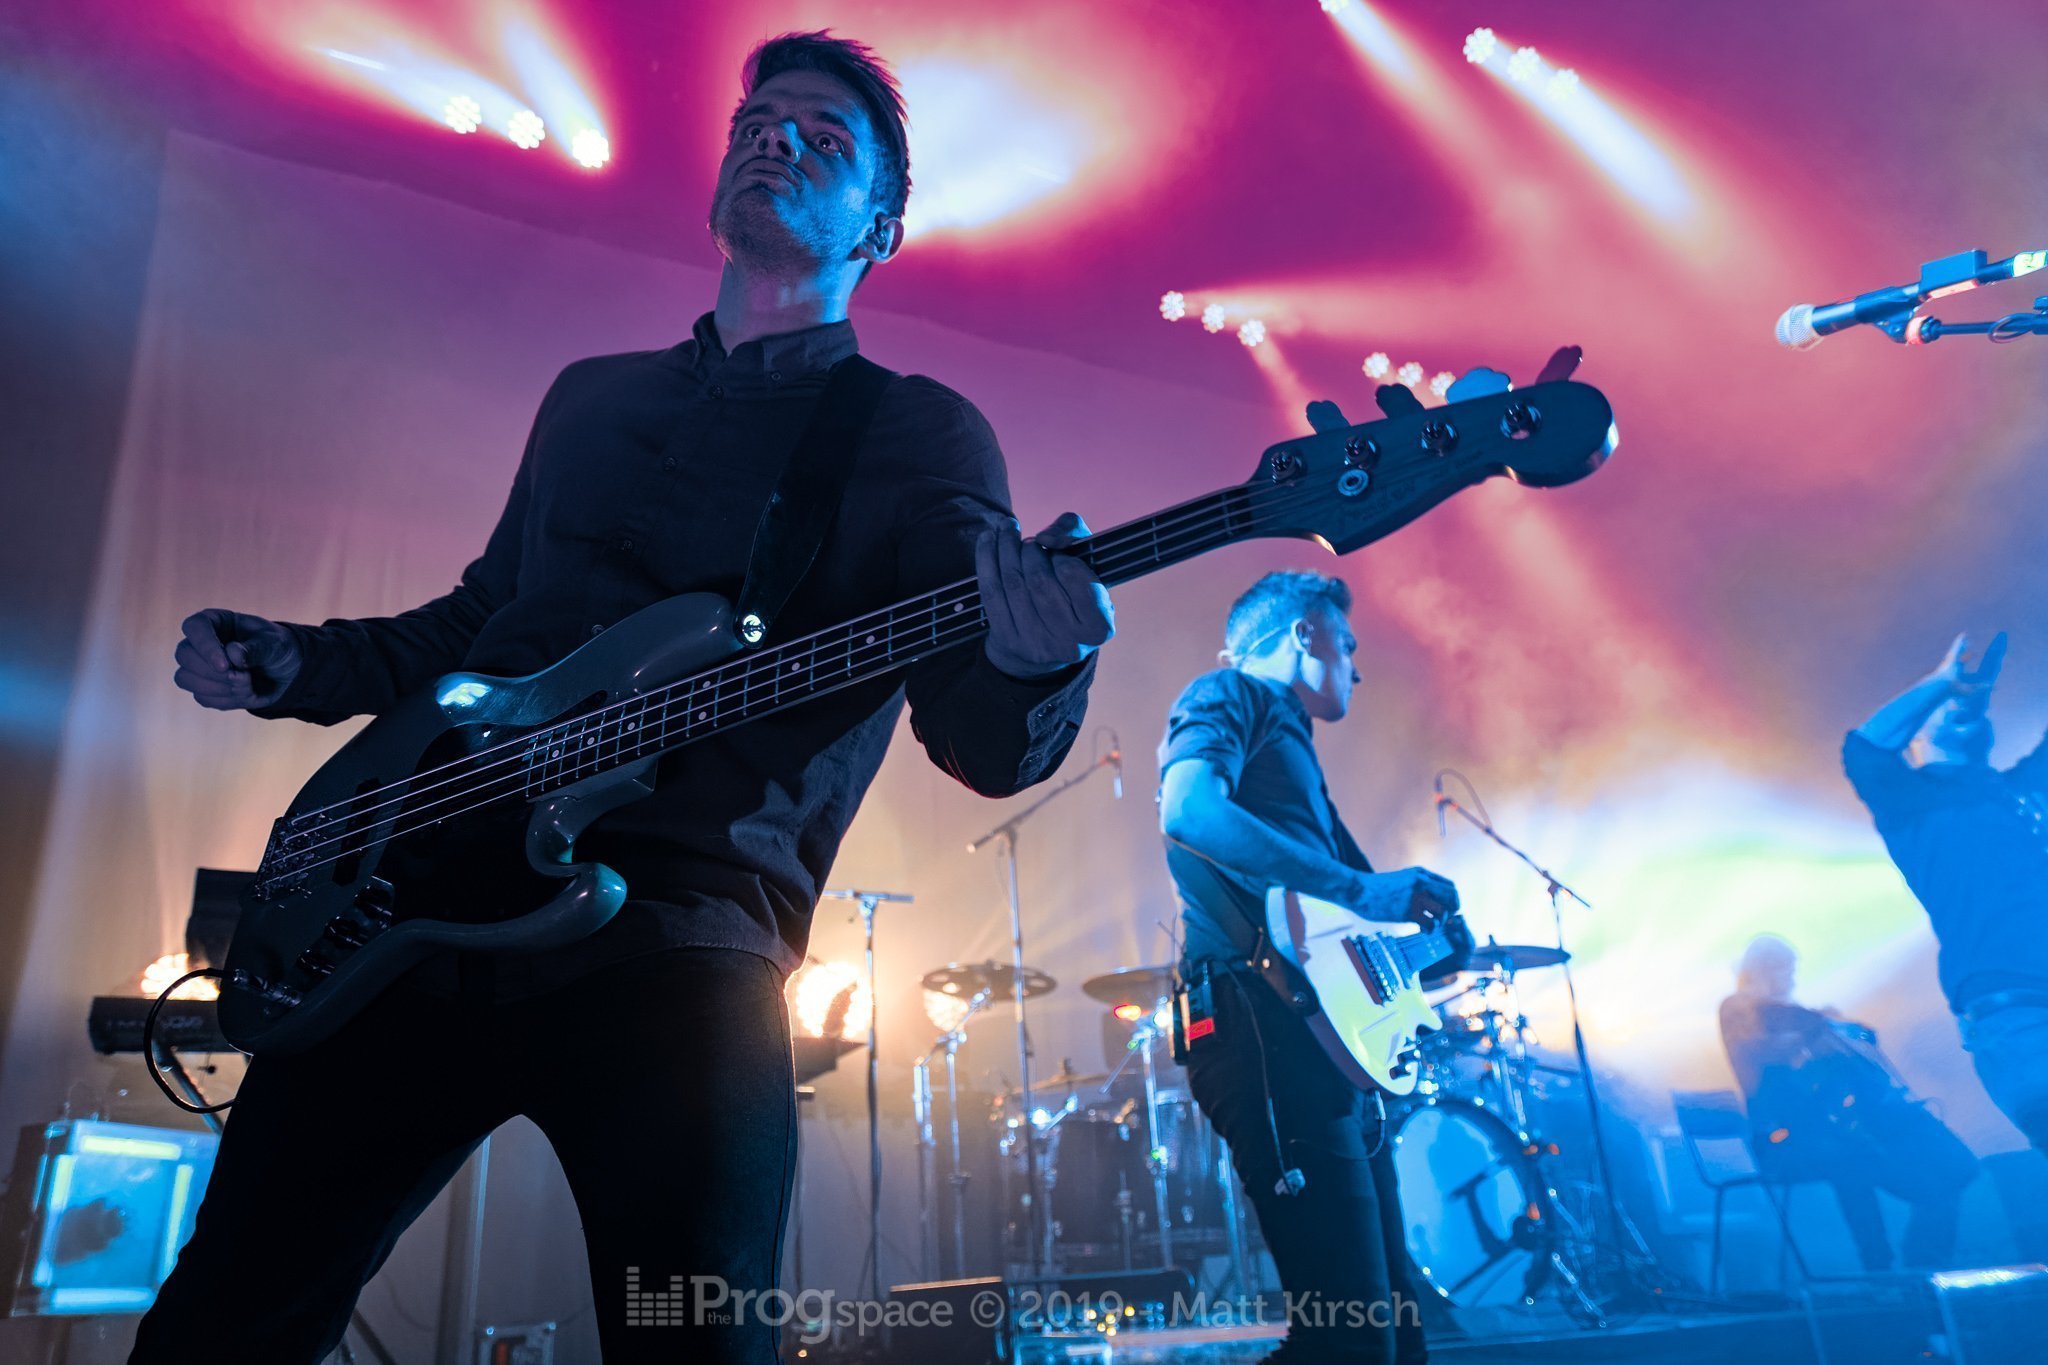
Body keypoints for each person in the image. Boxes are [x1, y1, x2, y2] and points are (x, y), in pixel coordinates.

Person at [147, 32, 1113, 1364]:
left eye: (823, 138)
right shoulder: (590, 400)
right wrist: (299, 660)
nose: (775, 138)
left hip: (678, 933)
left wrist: (1037, 657)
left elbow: (982, 738)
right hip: (408, 908)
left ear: (880, 231)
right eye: (757, 122)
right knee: (221, 1324)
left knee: (696, 1336)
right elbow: (482, 629)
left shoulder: (916, 433)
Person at [1156, 571, 1470, 1365]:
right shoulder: (1231, 694)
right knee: (1348, 1343)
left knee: (1394, 1340)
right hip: (1261, 1025)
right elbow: (1188, 808)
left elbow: (1338, 927)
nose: (1356, 669)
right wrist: (1362, 888)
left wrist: (1432, 950)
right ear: (1303, 633)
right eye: (1347, 643)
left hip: (1323, 1042)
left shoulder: (1294, 758)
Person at [1845, 633, 2048, 1153]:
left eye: (1973, 707)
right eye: (1943, 713)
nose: (1963, 709)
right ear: (1916, 742)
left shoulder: (2016, 789)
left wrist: (1964, 701)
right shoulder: (1911, 802)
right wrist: (1941, 686)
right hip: (2024, 1020)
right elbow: (1865, 747)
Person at [1718, 935, 1975, 1272]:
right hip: (1786, 1143)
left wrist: (1837, 1038)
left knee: (1948, 1174)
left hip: (1837, 1133)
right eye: (1786, 969)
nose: (1791, 978)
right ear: (1763, 968)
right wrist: (1820, 1027)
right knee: (1852, 1161)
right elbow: (1769, 1046)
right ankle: (1881, 1268)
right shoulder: (1740, 1009)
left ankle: (1919, 1267)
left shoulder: (1794, 1018)